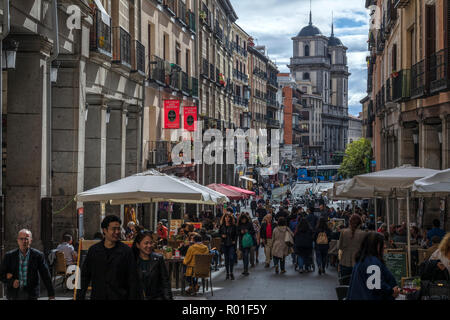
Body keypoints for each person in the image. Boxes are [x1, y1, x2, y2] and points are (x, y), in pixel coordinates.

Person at [78, 215, 140, 300]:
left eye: (118, 229)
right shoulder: (94, 251)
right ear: (104, 230)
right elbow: (85, 276)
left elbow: (132, 279)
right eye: (114, 229)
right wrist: (80, 296)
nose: (117, 232)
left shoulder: (126, 251)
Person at [0, 229, 55, 300]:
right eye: (21, 239)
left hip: (31, 293)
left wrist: (51, 293)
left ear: (31, 240)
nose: (24, 241)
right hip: (13, 293)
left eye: (26, 239)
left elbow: (45, 274)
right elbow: (1, 274)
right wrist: (11, 282)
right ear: (17, 240)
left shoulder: (38, 255)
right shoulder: (9, 256)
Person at [347, 232, 400, 300]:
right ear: (376, 245)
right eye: (382, 244)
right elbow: (375, 284)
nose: (385, 246)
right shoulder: (371, 261)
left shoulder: (363, 259)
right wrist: (391, 291)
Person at [132, 231, 172, 300]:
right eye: (146, 243)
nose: (149, 246)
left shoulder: (158, 259)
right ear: (138, 245)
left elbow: (165, 283)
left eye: (151, 243)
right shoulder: (132, 260)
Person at [337, 214, 366, 285]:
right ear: (360, 223)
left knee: (345, 285)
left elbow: (339, 247)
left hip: (345, 262)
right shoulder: (363, 234)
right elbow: (365, 249)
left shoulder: (343, 232)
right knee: (357, 285)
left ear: (350, 222)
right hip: (358, 262)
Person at [219, 213, 238, 280]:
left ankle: (231, 272)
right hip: (224, 244)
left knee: (231, 258)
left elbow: (236, 235)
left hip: (231, 244)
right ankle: (227, 273)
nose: (227, 218)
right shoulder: (222, 226)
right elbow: (219, 234)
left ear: (230, 218)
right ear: (224, 218)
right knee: (226, 259)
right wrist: (222, 236)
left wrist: (234, 241)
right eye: (226, 217)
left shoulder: (233, 226)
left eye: (228, 217)